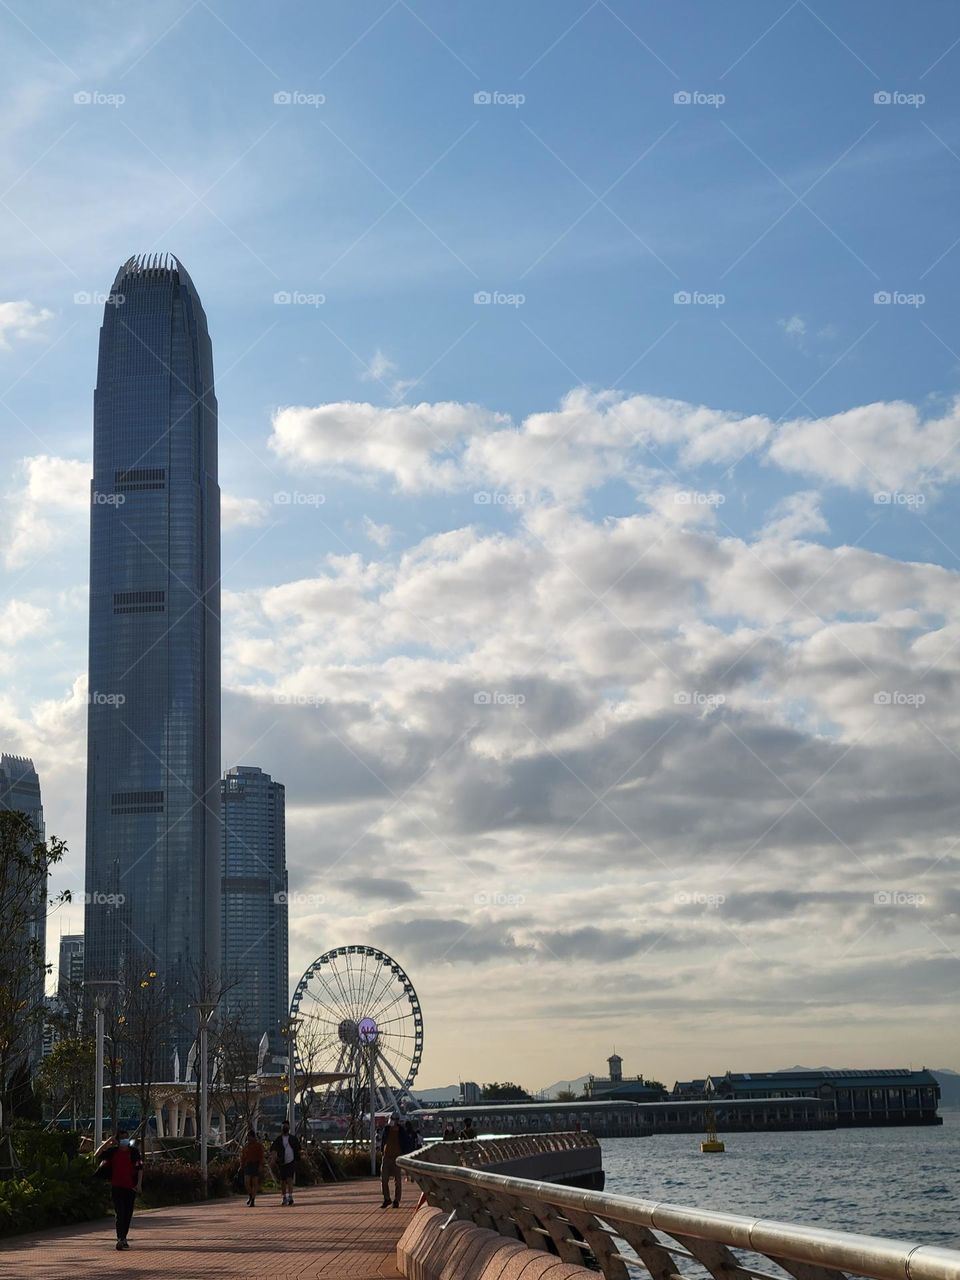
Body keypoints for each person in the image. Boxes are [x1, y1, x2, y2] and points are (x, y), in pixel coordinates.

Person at [95, 1129, 143, 1251]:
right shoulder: (112, 1152)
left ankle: (124, 1237)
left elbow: (140, 1168)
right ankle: (120, 1238)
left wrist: (139, 1184)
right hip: (117, 1187)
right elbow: (97, 1154)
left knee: (127, 1214)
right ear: (117, 1140)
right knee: (120, 1213)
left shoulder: (134, 1152)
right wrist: (108, 1142)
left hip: (130, 1187)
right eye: (122, 1138)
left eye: (126, 1137)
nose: (124, 1140)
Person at [271, 1120, 301, 1206]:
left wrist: (298, 1158)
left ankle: (290, 1196)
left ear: (289, 1128)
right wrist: (273, 1159)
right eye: (283, 1127)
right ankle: (284, 1196)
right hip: (281, 1162)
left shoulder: (293, 1139)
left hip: (291, 1161)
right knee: (283, 1180)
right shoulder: (278, 1139)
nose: (285, 1128)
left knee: (289, 1179)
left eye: (286, 1126)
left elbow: (298, 1149)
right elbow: (273, 1149)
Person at [379, 1113, 403, 1208]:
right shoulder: (387, 1129)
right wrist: (382, 1151)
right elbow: (383, 1141)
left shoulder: (401, 1131)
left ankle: (396, 1200)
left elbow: (406, 1142)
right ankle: (387, 1199)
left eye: (393, 1119)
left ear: (397, 1120)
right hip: (386, 1157)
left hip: (397, 1157)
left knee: (398, 1180)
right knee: (384, 1179)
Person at [240, 1128, 265, 1206]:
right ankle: (250, 1195)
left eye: (250, 1137)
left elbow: (261, 1156)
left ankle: (253, 1200)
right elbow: (243, 1157)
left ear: (253, 1137)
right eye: (247, 1137)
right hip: (248, 1165)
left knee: (254, 1183)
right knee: (246, 1182)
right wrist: (241, 1165)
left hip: (256, 1164)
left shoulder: (258, 1146)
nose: (248, 1139)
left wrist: (260, 1165)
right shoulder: (246, 1146)